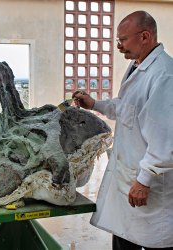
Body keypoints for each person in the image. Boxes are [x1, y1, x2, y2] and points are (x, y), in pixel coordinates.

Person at [73, 11, 173, 250]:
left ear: (145, 36)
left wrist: (145, 179)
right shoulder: (137, 66)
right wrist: (95, 104)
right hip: (129, 181)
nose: (119, 46)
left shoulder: (164, 75)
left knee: (149, 242)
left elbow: (166, 137)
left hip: (147, 187)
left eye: (123, 40)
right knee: (124, 239)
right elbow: (127, 107)